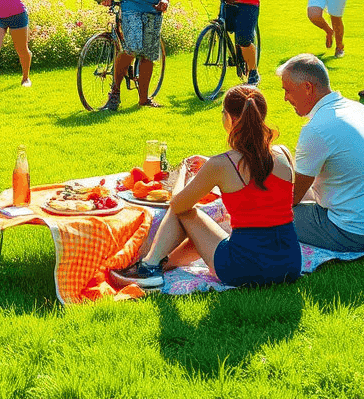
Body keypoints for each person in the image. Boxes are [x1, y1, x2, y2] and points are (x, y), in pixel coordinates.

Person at [115, 85, 301, 290]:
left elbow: (177, 205)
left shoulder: (221, 165)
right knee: (203, 234)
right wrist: (210, 165)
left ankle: (148, 267)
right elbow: (257, 171)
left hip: (244, 268)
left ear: (230, 119)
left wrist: (183, 172)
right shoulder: (283, 154)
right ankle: (161, 265)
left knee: (186, 210)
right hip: (289, 265)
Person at [277, 54, 364, 252]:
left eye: (288, 90)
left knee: (266, 218)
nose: (285, 98)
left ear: (307, 88)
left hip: (357, 232)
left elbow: (292, 198)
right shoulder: (357, 108)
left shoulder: (316, 129)